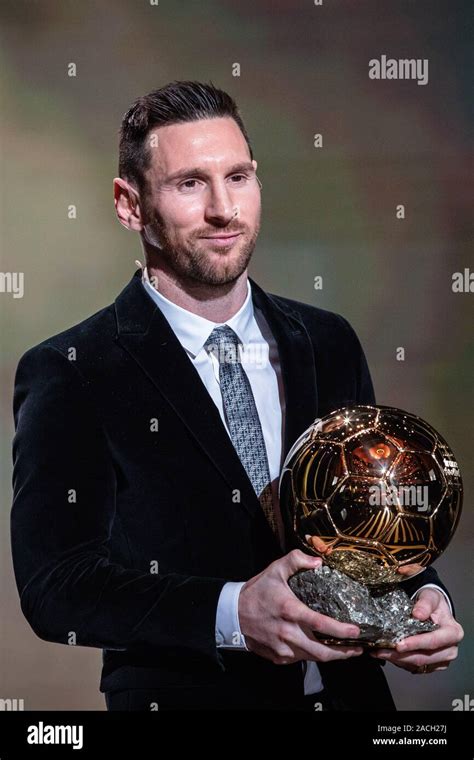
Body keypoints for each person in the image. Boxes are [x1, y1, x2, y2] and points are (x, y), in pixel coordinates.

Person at [11, 81, 463, 712]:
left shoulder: (327, 342)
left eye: (239, 176)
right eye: (190, 183)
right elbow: (55, 587)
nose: (225, 208)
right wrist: (232, 613)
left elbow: (369, 523)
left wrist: (422, 592)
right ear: (129, 204)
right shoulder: (73, 370)